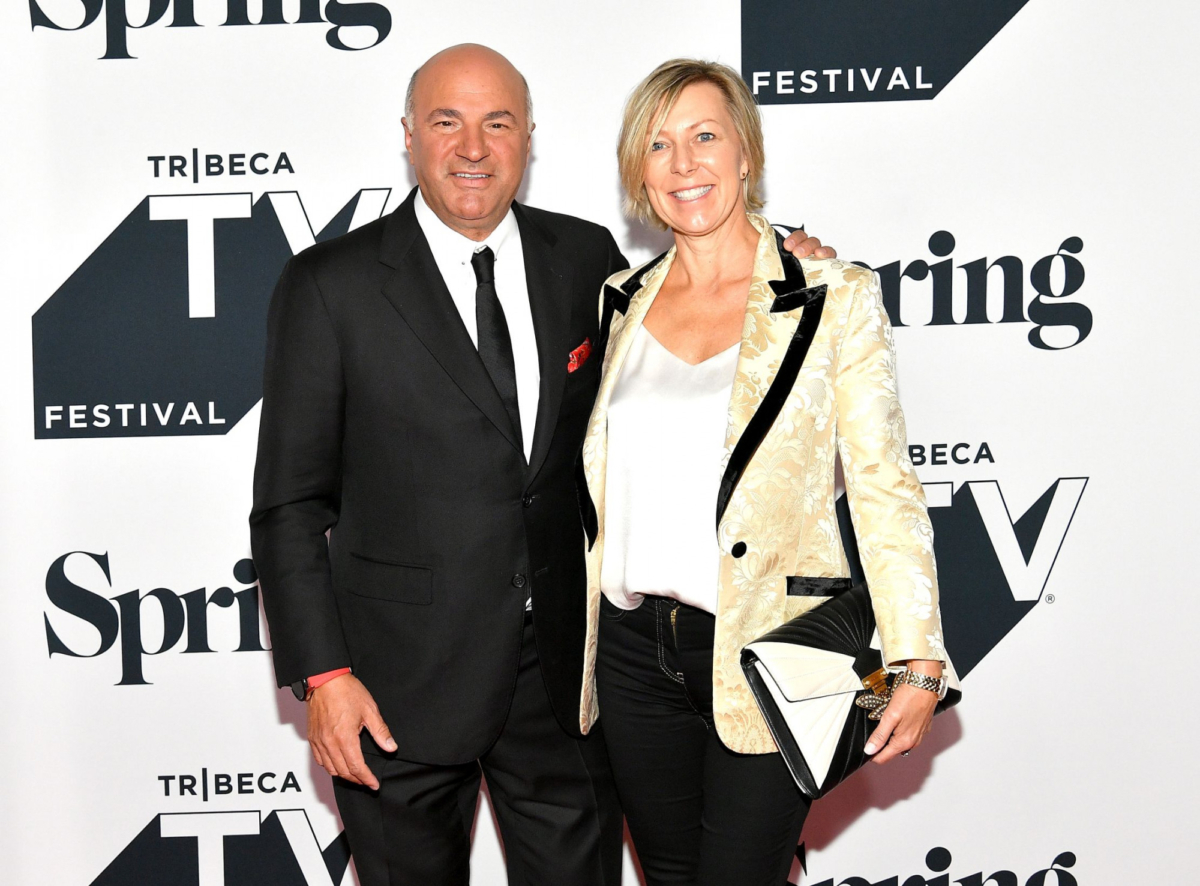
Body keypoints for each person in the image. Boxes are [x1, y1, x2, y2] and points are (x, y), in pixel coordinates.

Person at [250, 45, 833, 886]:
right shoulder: (328, 285)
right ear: (409, 136)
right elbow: (289, 507)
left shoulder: (585, 259)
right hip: (395, 688)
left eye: (498, 123)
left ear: (529, 138)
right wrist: (325, 675)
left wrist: (787, 259)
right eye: (446, 122)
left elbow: (697, 320)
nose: (473, 147)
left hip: (567, 689)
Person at [576, 59, 950, 886]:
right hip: (632, 657)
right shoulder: (619, 301)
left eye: (705, 136)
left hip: (770, 647)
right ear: (639, 170)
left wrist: (917, 657)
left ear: (746, 152)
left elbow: (883, 483)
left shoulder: (831, 295)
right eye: (659, 145)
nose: (684, 163)